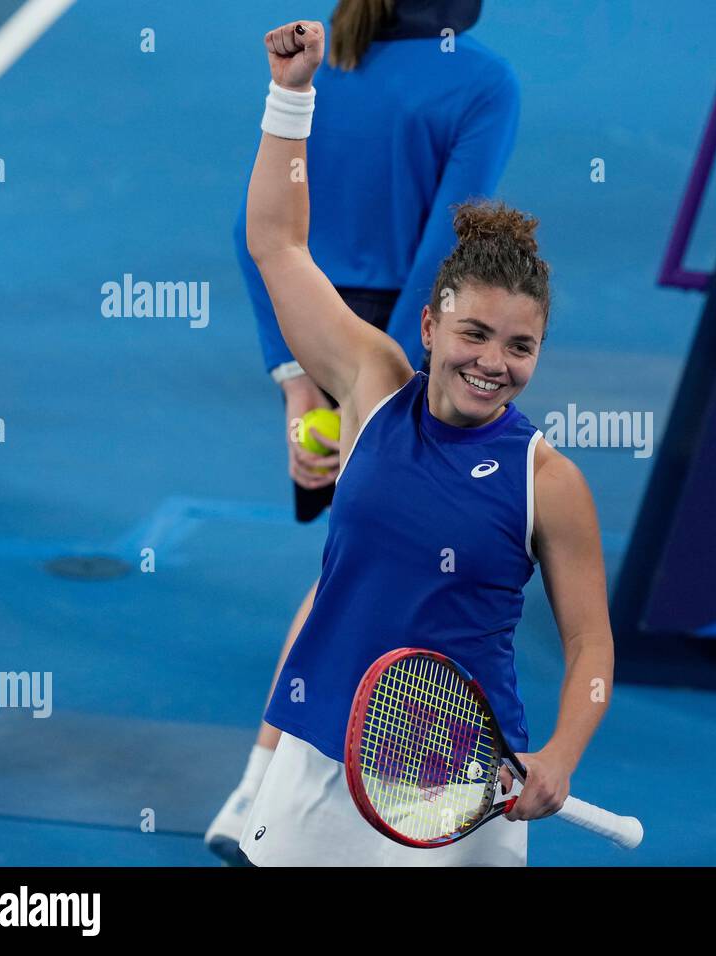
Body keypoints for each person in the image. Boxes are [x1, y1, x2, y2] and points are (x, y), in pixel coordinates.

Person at [233, 19, 613, 866]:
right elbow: (276, 243)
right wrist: (290, 96)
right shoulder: (372, 386)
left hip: (459, 791)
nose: (494, 364)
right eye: (475, 335)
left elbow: (591, 645)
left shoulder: (547, 481)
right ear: (431, 325)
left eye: (521, 347)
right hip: (317, 763)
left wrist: (562, 752)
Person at [205, 0, 519, 862]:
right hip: (400, 340)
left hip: (309, 323)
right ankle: (260, 788)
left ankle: (265, 789)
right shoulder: (484, 82)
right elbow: (448, 254)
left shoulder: (323, 62)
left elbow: (261, 234)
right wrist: (413, 379)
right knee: (360, 570)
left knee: (350, 561)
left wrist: (295, 380)